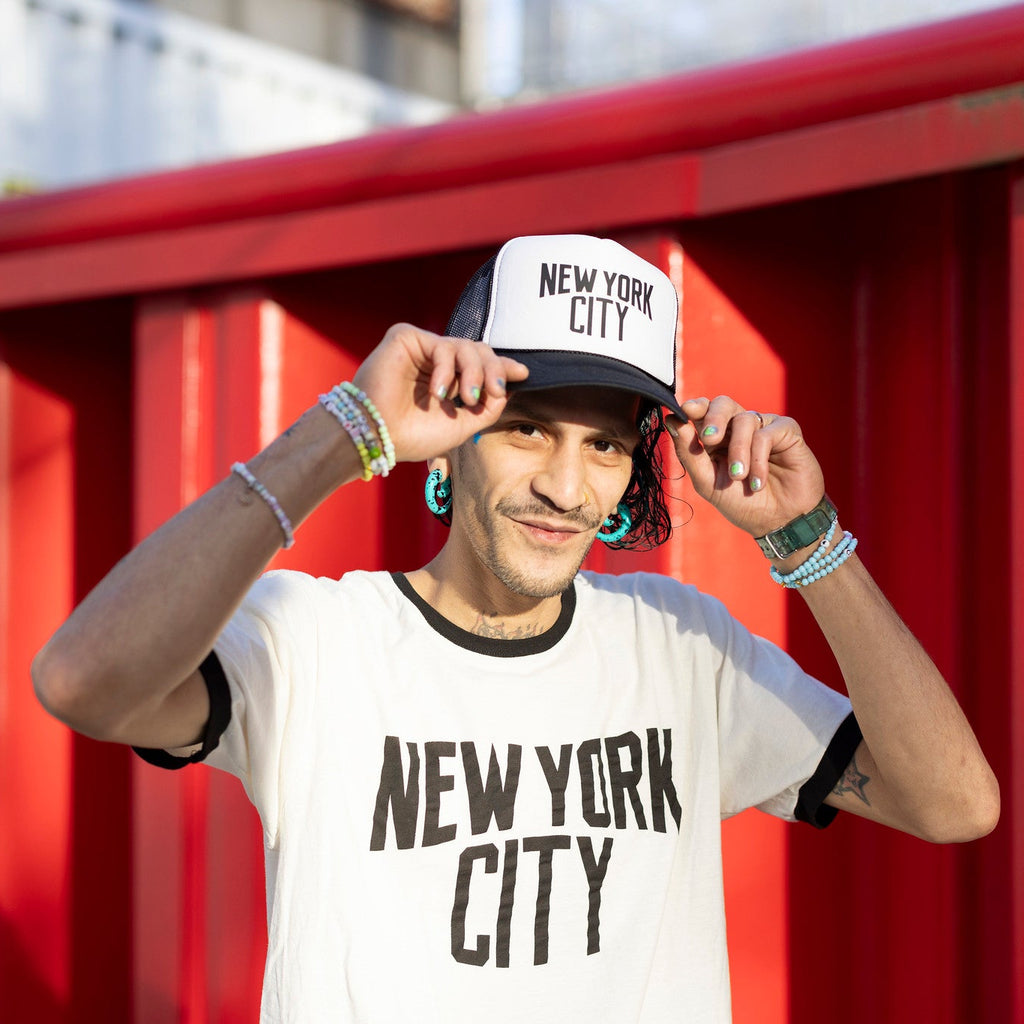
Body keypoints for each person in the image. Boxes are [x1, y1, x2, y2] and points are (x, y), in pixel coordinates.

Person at [32, 234, 998, 1022]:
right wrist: (346, 429)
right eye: (527, 427)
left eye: (607, 444)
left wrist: (806, 538)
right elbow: (83, 682)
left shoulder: (683, 648)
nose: (565, 489)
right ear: (450, 436)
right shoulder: (317, 641)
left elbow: (956, 806)